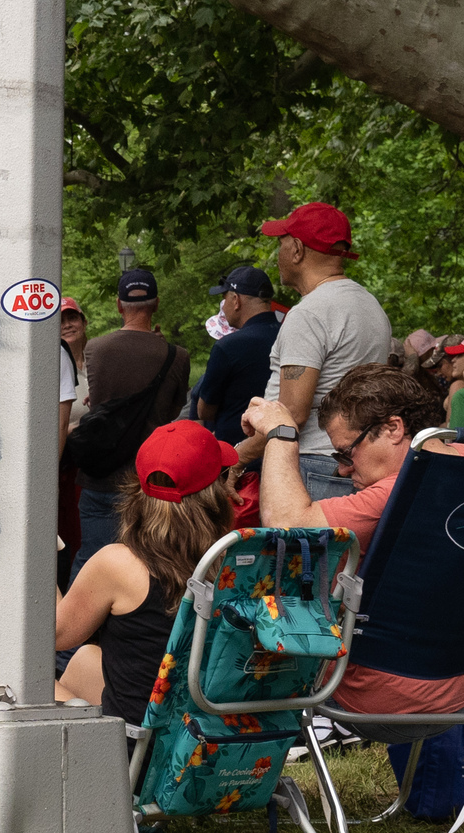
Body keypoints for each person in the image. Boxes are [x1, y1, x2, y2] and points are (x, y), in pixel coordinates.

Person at [241, 364, 464, 740]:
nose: (341, 471)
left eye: (345, 453)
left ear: (393, 428)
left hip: (372, 696)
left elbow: (285, 525)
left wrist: (282, 434)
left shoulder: (394, 494)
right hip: (461, 689)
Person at [54, 421, 237, 729]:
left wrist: (38, 560)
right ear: (215, 493)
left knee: (18, 683)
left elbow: (53, 636)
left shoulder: (119, 566)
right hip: (210, 739)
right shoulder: (236, 563)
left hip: (140, 750)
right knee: (87, 658)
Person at [233, 202, 391, 501]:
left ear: (296, 249)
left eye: (280, 244)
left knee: (299, 549)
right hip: (354, 462)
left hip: (310, 464)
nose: (277, 255)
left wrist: (237, 457)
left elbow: (292, 413)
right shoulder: (370, 305)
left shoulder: (310, 313)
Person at [71, 268, 191, 579]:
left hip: (101, 476)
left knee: (91, 561)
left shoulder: (95, 349)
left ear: (119, 305)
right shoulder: (176, 356)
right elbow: (174, 411)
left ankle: (75, 625)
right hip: (149, 481)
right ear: (157, 304)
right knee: (147, 567)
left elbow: (99, 406)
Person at [188, 266, 280, 444]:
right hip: (280, 447)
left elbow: (204, 411)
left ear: (236, 300)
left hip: (234, 453)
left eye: (224, 298)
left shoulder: (228, 346)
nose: (223, 305)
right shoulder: (289, 334)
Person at [58, 297, 88, 590]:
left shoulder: (99, 361)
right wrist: (79, 425)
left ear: (83, 321)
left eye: (72, 318)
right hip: (65, 463)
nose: (67, 324)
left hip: (93, 463)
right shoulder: (55, 363)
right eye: (61, 320)